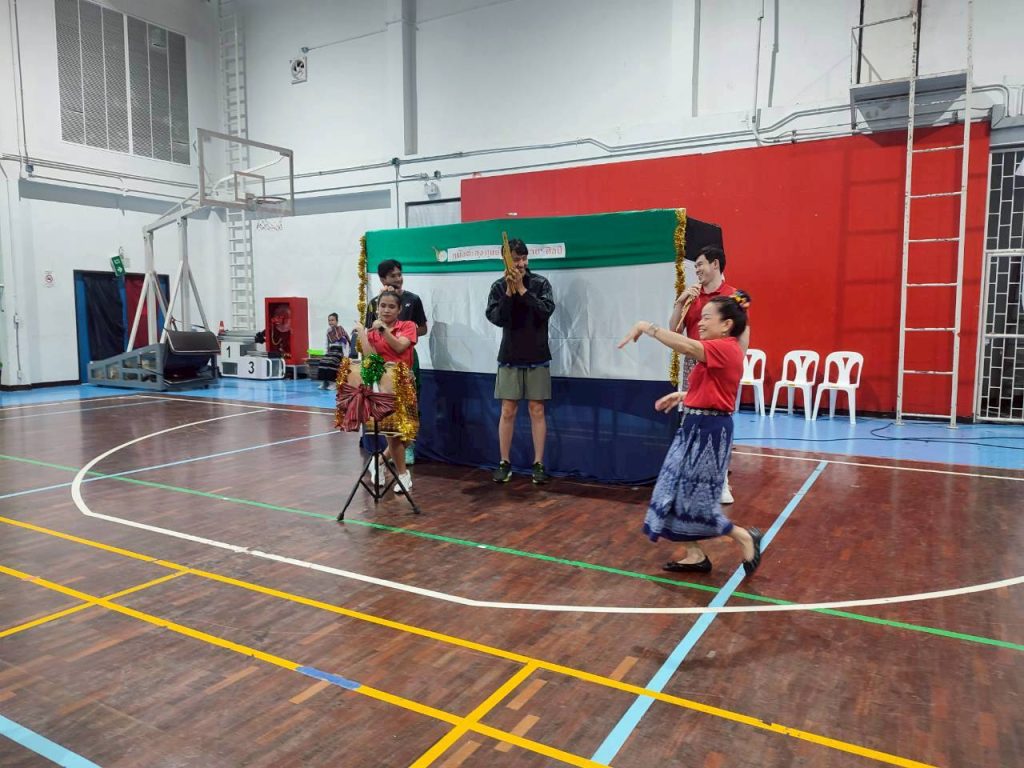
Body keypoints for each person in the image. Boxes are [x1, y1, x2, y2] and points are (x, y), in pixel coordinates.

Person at [619, 291, 762, 576]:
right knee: (670, 492)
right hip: (695, 425)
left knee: (697, 501)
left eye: (707, 318)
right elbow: (716, 388)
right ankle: (695, 555)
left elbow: (685, 346)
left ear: (727, 325)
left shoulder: (725, 348)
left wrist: (647, 327)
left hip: (709, 432)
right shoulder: (719, 349)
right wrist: (686, 396)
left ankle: (744, 536)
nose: (701, 322)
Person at [669, 245, 749, 505]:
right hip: (694, 361)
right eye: (695, 266)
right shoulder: (692, 296)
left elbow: (743, 335)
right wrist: (680, 302)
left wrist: (734, 365)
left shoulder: (733, 297)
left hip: (720, 363)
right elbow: (674, 330)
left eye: (700, 264)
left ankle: (721, 480)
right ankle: (689, 476)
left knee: (718, 421)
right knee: (690, 418)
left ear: (715, 264)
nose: (697, 270)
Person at [485, 238, 556, 484]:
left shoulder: (540, 283)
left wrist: (523, 291)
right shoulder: (497, 287)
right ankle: (504, 462)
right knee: (508, 410)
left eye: (524, 258)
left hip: (537, 354)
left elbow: (545, 311)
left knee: (537, 410)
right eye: (516, 259)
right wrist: (509, 291)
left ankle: (539, 464)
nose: (521, 263)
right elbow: (497, 318)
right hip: (509, 356)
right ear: (506, 260)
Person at [352, 289, 418, 493]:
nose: (386, 310)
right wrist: (362, 334)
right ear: (377, 308)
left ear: (399, 310)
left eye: (391, 306)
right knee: (393, 432)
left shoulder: (408, 326)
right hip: (384, 387)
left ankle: (378, 461)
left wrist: (383, 330)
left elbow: (399, 347)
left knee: (409, 435)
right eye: (383, 306)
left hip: (405, 384)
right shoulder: (372, 333)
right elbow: (371, 359)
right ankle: (403, 475)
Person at [366, 259, 427, 465]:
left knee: (410, 411)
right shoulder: (374, 303)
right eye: (393, 276)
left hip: (406, 359)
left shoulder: (413, 299)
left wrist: (403, 334)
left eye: (400, 274)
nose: (398, 278)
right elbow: (370, 334)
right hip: (383, 363)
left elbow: (422, 329)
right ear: (382, 279)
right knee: (388, 414)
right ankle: (389, 458)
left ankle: (404, 450)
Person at [318, 312, 350, 390]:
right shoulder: (328, 331)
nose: (331, 322)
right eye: (329, 320)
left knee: (331, 362)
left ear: (337, 321)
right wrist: (326, 354)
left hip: (339, 351)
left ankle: (333, 383)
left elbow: (345, 344)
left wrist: (345, 356)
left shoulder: (341, 330)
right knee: (323, 361)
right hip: (331, 351)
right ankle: (324, 382)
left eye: (332, 320)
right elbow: (326, 343)